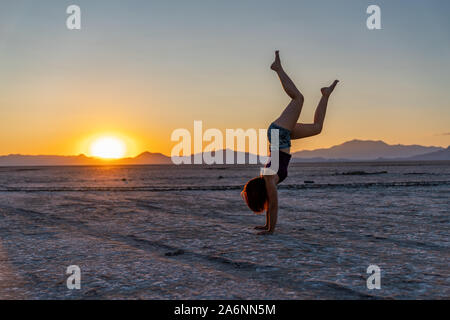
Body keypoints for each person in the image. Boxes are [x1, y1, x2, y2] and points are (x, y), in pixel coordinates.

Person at [241, 51, 339, 235]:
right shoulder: (268, 179)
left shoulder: (269, 177)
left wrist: (270, 230)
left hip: (279, 134)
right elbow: (271, 205)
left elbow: (274, 206)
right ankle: (325, 95)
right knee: (317, 128)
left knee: (299, 99)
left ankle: (277, 69)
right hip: (281, 137)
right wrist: (266, 226)